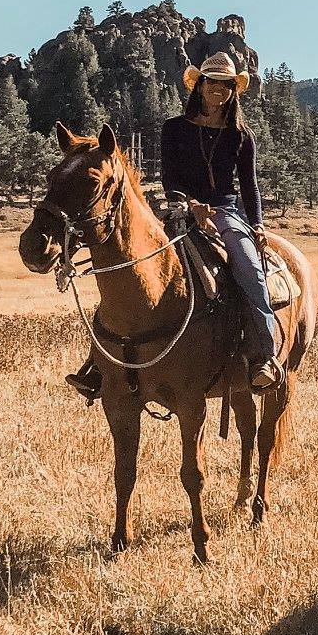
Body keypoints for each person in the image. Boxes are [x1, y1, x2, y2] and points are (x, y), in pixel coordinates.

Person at [69, 51, 283, 402]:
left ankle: (265, 355)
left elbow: (249, 185)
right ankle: (98, 364)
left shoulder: (241, 136)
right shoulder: (175, 129)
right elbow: (170, 178)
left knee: (249, 270)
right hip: (178, 209)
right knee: (129, 267)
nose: (218, 89)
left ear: (234, 90)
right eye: (212, 82)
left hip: (226, 213)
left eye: (226, 84)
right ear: (198, 86)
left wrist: (256, 224)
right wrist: (188, 203)